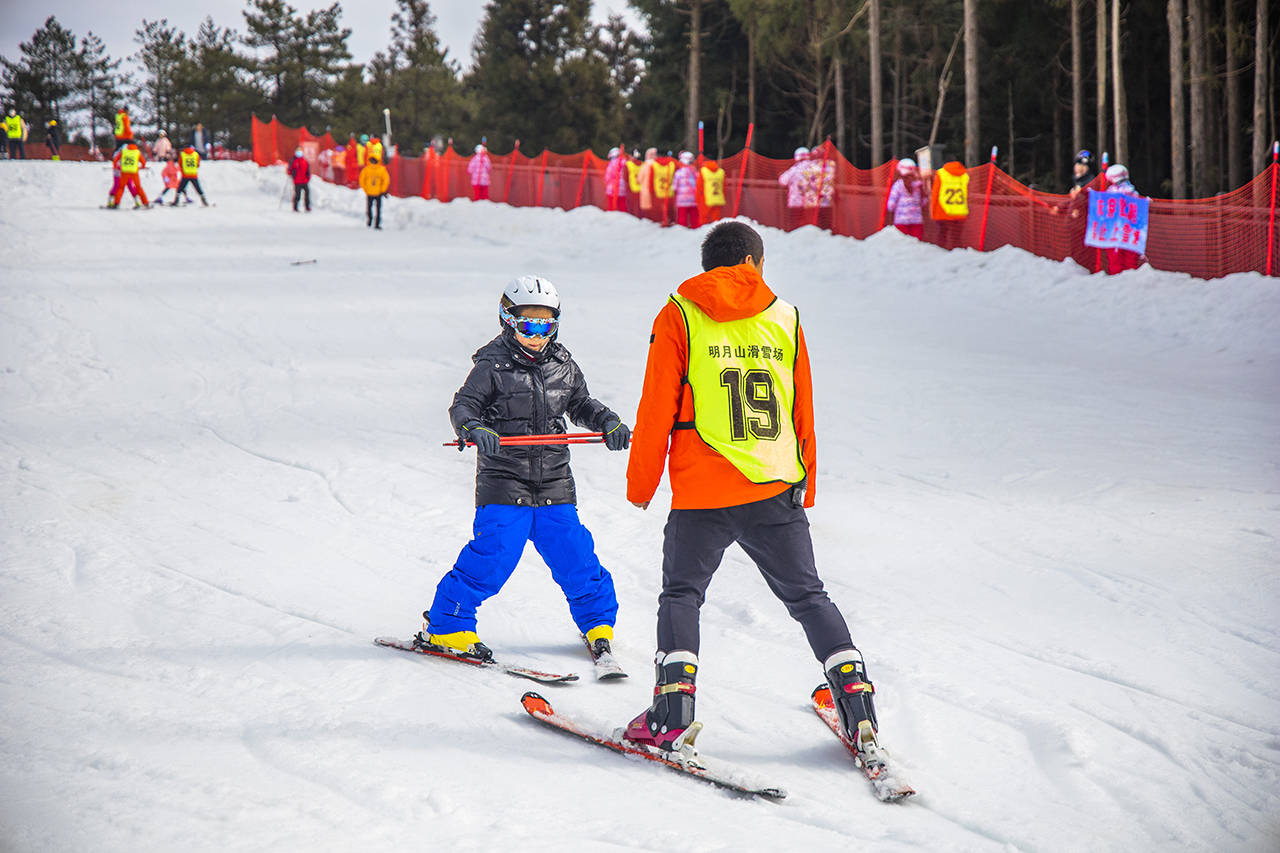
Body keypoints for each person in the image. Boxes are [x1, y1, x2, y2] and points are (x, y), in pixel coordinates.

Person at [623, 220, 883, 758]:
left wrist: (641, 483)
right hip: (775, 486)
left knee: (682, 594)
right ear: (756, 265)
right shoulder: (784, 316)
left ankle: (671, 714)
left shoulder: (679, 313)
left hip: (703, 491)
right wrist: (805, 484)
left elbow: (656, 409)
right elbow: (801, 406)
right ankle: (857, 702)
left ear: (707, 267)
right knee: (809, 597)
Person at [419, 275, 632, 666]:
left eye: (546, 325)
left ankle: (597, 623)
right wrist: (474, 427)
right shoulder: (491, 366)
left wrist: (607, 421)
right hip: (504, 480)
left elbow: (580, 403)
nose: (537, 334)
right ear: (507, 320)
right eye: (528, 324)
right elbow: (463, 406)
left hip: (554, 480)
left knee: (576, 556)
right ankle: (447, 625)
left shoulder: (562, 364)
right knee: (493, 556)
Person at [1102, 163, 1145, 274]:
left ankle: (1118, 282)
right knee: (1130, 260)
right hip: (1131, 233)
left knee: (1116, 260)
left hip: (1115, 232)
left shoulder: (1111, 193)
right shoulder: (1134, 192)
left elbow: (1105, 212)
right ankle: (1129, 282)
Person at [885, 157, 927, 239]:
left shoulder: (897, 186)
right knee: (915, 245)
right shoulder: (919, 185)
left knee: (902, 245)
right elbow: (924, 202)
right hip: (917, 221)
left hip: (901, 221)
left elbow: (890, 206)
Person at [778, 146, 810, 230]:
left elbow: (782, 180)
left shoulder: (795, 169)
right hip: (812, 203)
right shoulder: (815, 168)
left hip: (796, 202)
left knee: (795, 226)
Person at [109, 142, 149, 209]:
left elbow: (115, 160)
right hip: (134, 172)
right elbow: (143, 162)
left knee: (121, 187)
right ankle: (145, 203)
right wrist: (142, 167)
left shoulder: (123, 152)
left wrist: (115, 167)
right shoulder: (137, 152)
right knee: (138, 187)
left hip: (124, 172)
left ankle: (116, 203)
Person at [360, 153, 390, 228]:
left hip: (370, 192)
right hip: (378, 192)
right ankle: (376, 224)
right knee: (378, 208)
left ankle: (370, 221)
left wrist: (366, 189)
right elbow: (386, 180)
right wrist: (383, 189)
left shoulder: (366, 169)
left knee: (369, 207)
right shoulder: (382, 169)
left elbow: (361, 180)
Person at [672, 151, 699, 228]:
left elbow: (674, 186)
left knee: (682, 217)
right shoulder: (695, 172)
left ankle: (682, 229)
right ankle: (695, 228)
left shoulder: (679, 173)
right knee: (695, 216)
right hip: (693, 199)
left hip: (682, 200)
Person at [699, 158, 726, 223]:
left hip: (706, 199)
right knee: (716, 219)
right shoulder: (721, 171)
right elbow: (724, 186)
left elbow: (699, 187)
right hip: (718, 198)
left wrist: (698, 199)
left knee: (704, 218)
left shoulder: (703, 171)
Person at [604, 147, 629, 213]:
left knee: (612, 204)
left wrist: (607, 182)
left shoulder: (611, 164)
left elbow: (608, 176)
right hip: (622, 186)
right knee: (622, 203)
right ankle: (624, 217)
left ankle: (612, 216)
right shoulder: (623, 162)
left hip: (612, 187)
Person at [287, 147, 312, 212]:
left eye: (300, 151)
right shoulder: (293, 160)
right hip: (297, 181)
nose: (299, 153)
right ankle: (295, 207)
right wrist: (292, 173)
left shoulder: (305, 161)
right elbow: (289, 170)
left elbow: (308, 170)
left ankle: (307, 207)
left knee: (307, 194)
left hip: (305, 181)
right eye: (298, 151)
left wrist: (308, 177)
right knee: (298, 195)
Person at [637, 148, 658, 219]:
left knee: (647, 210)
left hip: (646, 190)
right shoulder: (658, 165)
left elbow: (639, 179)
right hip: (657, 190)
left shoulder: (644, 166)